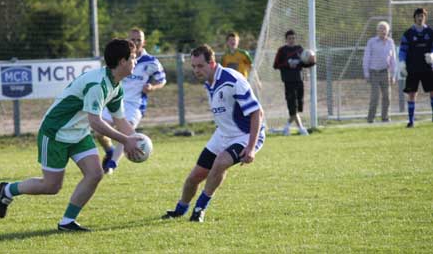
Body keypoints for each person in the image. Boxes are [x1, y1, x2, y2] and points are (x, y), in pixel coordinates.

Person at [0, 39, 144, 232]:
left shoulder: (116, 85)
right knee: (51, 186)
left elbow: (121, 120)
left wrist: (137, 141)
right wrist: (126, 140)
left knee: (95, 174)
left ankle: (67, 222)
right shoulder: (98, 84)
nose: (136, 62)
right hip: (55, 132)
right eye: (133, 58)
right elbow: (96, 122)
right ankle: (8, 190)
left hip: (79, 134)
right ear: (122, 61)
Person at [162, 44, 265, 222]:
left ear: (212, 63)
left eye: (200, 66)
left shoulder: (232, 80)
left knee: (220, 163)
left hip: (245, 135)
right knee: (194, 177)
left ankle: (199, 209)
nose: (196, 70)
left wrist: (250, 148)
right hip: (222, 134)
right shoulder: (209, 82)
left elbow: (257, 113)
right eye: (193, 66)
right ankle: (180, 209)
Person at [96, 27, 166, 174]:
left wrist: (152, 87)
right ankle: (110, 151)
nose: (136, 42)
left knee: (127, 134)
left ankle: (111, 165)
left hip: (135, 105)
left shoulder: (151, 62)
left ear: (144, 42)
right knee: (99, 132)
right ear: (128, 41)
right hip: (114, 100)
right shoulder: (121, 58)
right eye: (133, 39)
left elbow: (162, 80)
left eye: (139, 40)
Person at [273, 30, 315, 136]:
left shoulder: (299, 49)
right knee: (293, 107)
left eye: (293, 38)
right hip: (288, 81)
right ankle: (301, 129)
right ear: (286, 39)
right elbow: (276, 65)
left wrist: (312, 61)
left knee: (298, 107)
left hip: (299, 81)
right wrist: (287, 64)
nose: (292, 40)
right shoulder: (282, 50)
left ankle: (286, 128)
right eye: (289, 38)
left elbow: (304, 64)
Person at [399, 8, 433, 127]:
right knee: (412, 93)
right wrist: (402, 63)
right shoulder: (408, 33)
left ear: (425, 18)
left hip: (428, 68)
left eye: (422, 16)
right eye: (418, 16)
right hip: (413, 68)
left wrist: (432, 56)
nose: (420, 18)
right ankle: (411, 121)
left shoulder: (430, 32)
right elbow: (403, 50)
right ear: (415, 17)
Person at [362, 21, 397, 123]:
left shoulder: (391, 42)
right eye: (381, 29)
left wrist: (393, 75)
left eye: (385, 29)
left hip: (385, 72)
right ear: (377, 31)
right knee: (375, 97)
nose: (383, 31)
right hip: (374, 73)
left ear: (388, 31)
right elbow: (366, 58)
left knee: (387, 97)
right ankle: (370, 118)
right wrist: (366, 74)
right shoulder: (371, 42)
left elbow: (393, 60)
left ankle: (385, 117)